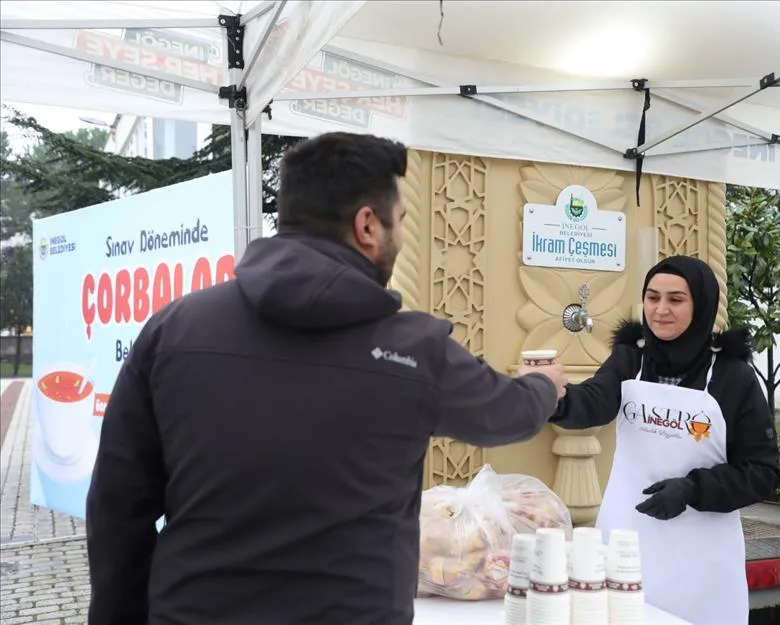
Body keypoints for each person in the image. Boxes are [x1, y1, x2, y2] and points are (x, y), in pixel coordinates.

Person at [85, 132, 568, 625]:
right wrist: (545, 384)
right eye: (399, 222)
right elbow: (507, 414)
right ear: (367, 225)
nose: (400, 237)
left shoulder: (174, 329)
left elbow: (118, 507)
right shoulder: (414, 350)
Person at [537, 255, 780, 625]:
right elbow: (594, 402)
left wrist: (692, 490)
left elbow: (762, 471)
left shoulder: (733, 377)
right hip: (624, 542)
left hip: (700, 559)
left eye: (675, 300)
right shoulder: (630, 359)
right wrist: (552, 397)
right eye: (652, 298)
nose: (660, 310)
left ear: (701, 307)